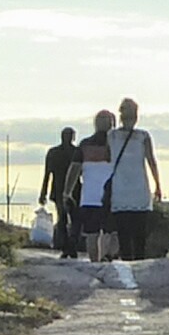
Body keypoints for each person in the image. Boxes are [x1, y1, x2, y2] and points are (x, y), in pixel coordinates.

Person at [106, 98, 162, 260]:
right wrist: (158, 185)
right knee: (139, 232)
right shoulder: (143, 136)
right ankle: (139, 259)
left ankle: (126, 259)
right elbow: (151, 161)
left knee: (123, 230)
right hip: (139, 188)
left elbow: (107, 159)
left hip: (120, 188)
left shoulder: (112, 136)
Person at [75, 110, 120, 262]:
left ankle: (95, 263)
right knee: (112, 232)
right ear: (112, 124)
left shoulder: (84, 145)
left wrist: (67, 191)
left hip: (89, 197)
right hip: (113, 196)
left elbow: (75, 169)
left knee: (92, 234)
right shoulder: (116, 145)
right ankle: (108, 257)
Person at [36, 125, 82, 249]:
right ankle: (70, 243)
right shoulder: (75, 152)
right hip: (72, 189)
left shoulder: (55, 152)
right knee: (71, 218)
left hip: (64, 189)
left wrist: (43, 193)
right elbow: (47, 174)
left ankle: (68, 244)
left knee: (65, 218)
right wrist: (43, 193)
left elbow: (47, 175)